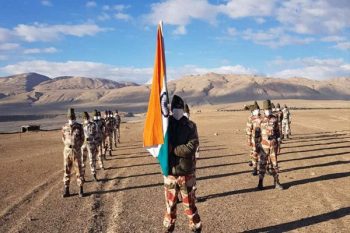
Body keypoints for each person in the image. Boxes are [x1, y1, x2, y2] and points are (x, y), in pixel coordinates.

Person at [163, 95, 202, 233]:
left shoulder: (191, 126)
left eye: (179, 108)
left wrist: (173, 149)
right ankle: (168, 229)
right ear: (171, 109)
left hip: (186, 174)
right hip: (171, 174)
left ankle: (196, 228)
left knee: (190, 206)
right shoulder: (166, 126)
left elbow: (191, 148)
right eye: (175, 108)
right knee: (170, 207)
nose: (177, 111)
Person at [258, 100, 284, 190]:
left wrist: (279, 142)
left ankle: (276, 182)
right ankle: (260, 183)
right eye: (266, 109)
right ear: (263, 110)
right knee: (262, 164)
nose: (268, 111)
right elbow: (257, 134)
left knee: (275, 164)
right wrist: (257, 146)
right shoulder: (260, 120)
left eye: (269, 109)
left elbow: (277, 132)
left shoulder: (275, 119)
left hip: (273, 145)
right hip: (264, 147)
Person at [61, 108, 85, 197]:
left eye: (72, 116)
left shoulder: (79, 126)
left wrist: (77, 146)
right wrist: (67, 146)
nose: (71, 118)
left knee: (79, 170)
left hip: (76, 151)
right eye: (69, 117)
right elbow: (63, 138)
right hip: (67, 151)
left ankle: (80, 189)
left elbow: (82, 138)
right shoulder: (64, 127)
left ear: (75, 116)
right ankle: (66, 190)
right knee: (67, 170)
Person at [81, 111, 100, 181]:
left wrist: (96, 144)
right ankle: (82, 176)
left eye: (86, 117)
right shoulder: (81, 125)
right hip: (83, 145)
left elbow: (96, 135)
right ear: (83, 118)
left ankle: (94, 174)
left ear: (88, 117)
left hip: (91, 144)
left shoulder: (93, 125)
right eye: (84, 117)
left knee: (92, 160)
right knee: (83, 161)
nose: (86, 118)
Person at [246, 101, 262, 176]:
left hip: (263, 139)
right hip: (254, 139)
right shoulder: (251, 119)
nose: (258, 111)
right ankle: (255, 168)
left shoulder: (263, 118)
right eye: (256, 110)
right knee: (255, 153)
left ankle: (264, 168)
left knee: (263, 154)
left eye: (258, 109)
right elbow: (249, 129)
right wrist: (249, 139)